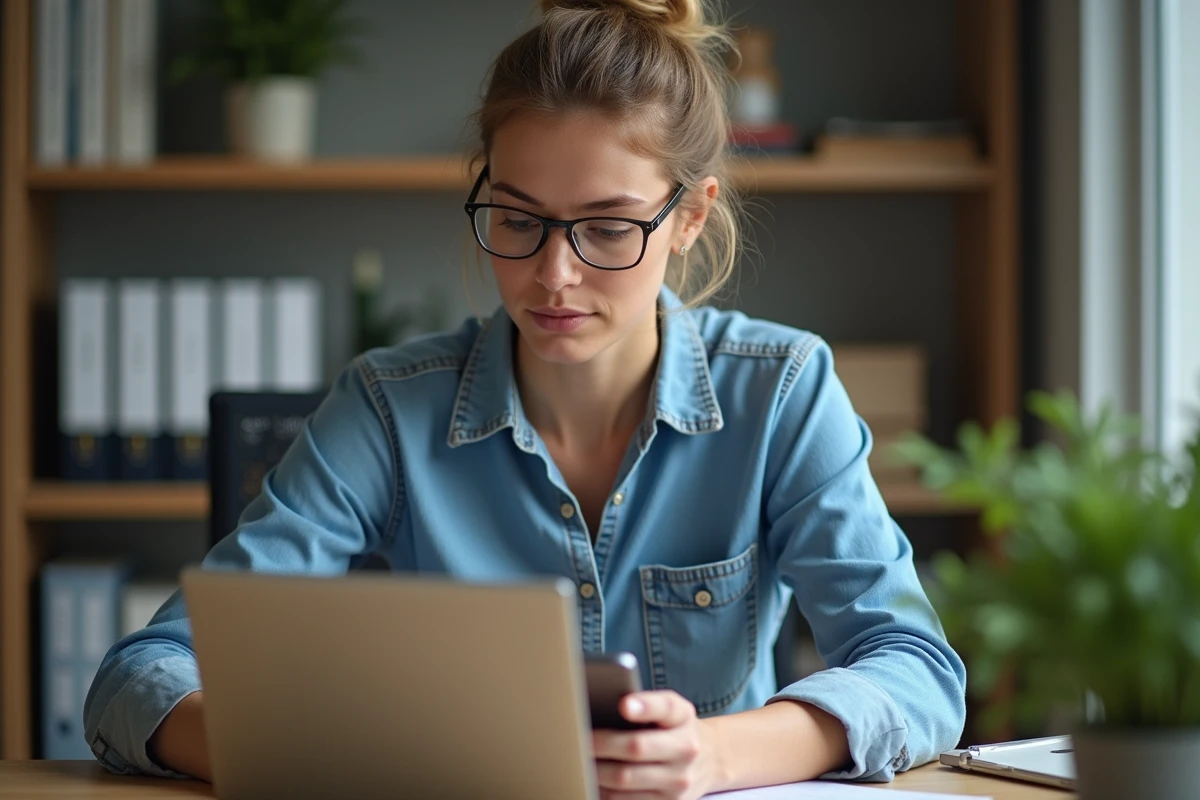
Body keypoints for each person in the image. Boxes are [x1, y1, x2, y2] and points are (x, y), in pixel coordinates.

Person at [84, 1, 966, 796]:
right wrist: (319, 751)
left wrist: (714, 754)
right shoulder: (388, 408)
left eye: (609, 227)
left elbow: (917, 670)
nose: (553, 274)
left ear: (689, 218)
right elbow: (141, 676)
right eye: (517, 219)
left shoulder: (781, 392)